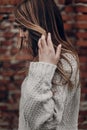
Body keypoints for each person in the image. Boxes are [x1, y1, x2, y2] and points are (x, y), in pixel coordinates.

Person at [14, 0, 81, 130]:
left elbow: (44, 125)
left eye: (24, 28)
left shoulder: (65, 61)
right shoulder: (46, 59)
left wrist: (44, 67)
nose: (21, 35)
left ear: (39, 25)